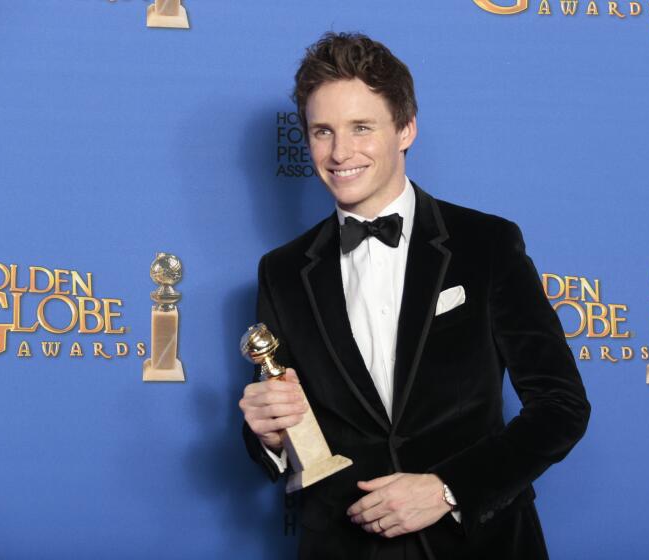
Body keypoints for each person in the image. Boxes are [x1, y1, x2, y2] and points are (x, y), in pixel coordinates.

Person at [239, 32, 590, 560]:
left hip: (478, 543)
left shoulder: (486, 243)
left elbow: (561, 407)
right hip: (344, 546)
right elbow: (292, 433)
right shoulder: (283, 271)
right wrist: (267, 437)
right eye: (322, 131)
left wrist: (448, 488)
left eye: (362, 128)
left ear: (405, 129)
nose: (339, 153)